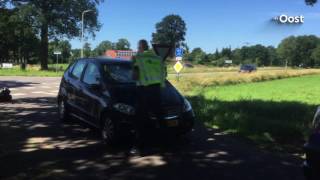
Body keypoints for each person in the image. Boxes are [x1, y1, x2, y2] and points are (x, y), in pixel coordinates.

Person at [130, 39, 165, 155]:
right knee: (160, 118)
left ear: (141, 47)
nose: (137, 49)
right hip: (157, 91)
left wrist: (132, 65)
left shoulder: (138, 58)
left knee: (140, 120)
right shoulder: (157, 58)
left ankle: (138, 148)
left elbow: (135, 77)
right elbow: (163, 74)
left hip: (144, 91)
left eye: (138, 47)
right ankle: (163, 145)